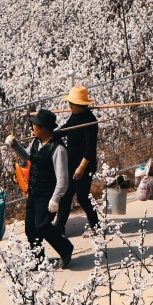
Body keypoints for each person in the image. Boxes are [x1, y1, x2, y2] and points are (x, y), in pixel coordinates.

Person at [5, 109, 75, 269]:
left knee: (42, 225)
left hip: (48, 194)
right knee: (30, 227)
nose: (32, 128)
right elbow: (28, 157)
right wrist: (15, 145)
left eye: (34, 125)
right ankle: (37, 258)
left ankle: (65, 248)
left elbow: (63, 179)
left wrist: (56, 198)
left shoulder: (58, 149)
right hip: (34, 191)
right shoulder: (36, 142)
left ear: (43, 128)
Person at [55, 85, 99, 235]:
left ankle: (96, 226)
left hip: (85, 165)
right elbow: (66, 129)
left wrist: (81, 168)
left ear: (80, 105)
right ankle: (59, 228)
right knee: (66, 196)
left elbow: (90, 149)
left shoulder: (90, 122)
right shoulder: (74, 116)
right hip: (72, 162)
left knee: (82, 197)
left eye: (72, 104)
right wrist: (49, 134)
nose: (69, 106)